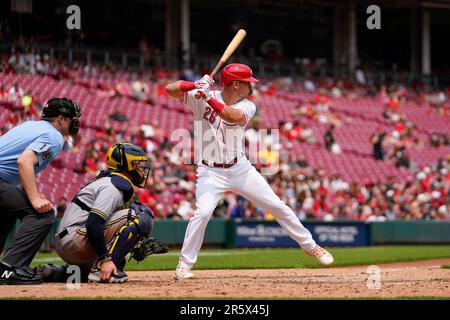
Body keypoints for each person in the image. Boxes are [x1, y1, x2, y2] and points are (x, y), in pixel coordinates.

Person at [165, 63, 334, 280]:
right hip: (209, 171)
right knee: (203, 213)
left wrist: (205, 97)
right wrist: (193, 84)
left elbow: (232, 117)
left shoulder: (246, 105)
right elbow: (170, 89)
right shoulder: (202, 92)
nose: (251, 87)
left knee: (276, 205)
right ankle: (184, 266)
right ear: (235, 84)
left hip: (239, 168)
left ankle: (311, 247)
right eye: (247, 83)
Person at [35, 143, 168, 284]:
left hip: (69, 241)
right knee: (141, 214)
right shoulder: (113, 187)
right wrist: (106, 258)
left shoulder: (107, 181)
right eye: (138, 164)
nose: (141, 169)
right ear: (129, 164)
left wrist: (131, 244)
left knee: (88, 273)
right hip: (75, 240)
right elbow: (93, 223)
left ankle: (57, 272)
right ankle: (101, 269)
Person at [0, 98, 81, 285]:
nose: (75, 123)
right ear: (61, 119)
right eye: (72, 119)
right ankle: (11, 268)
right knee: (42, 214)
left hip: (3, 181)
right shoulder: (54, 136)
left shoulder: (30, 125)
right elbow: (24, 161)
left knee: (7, 211)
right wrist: (35, 198)